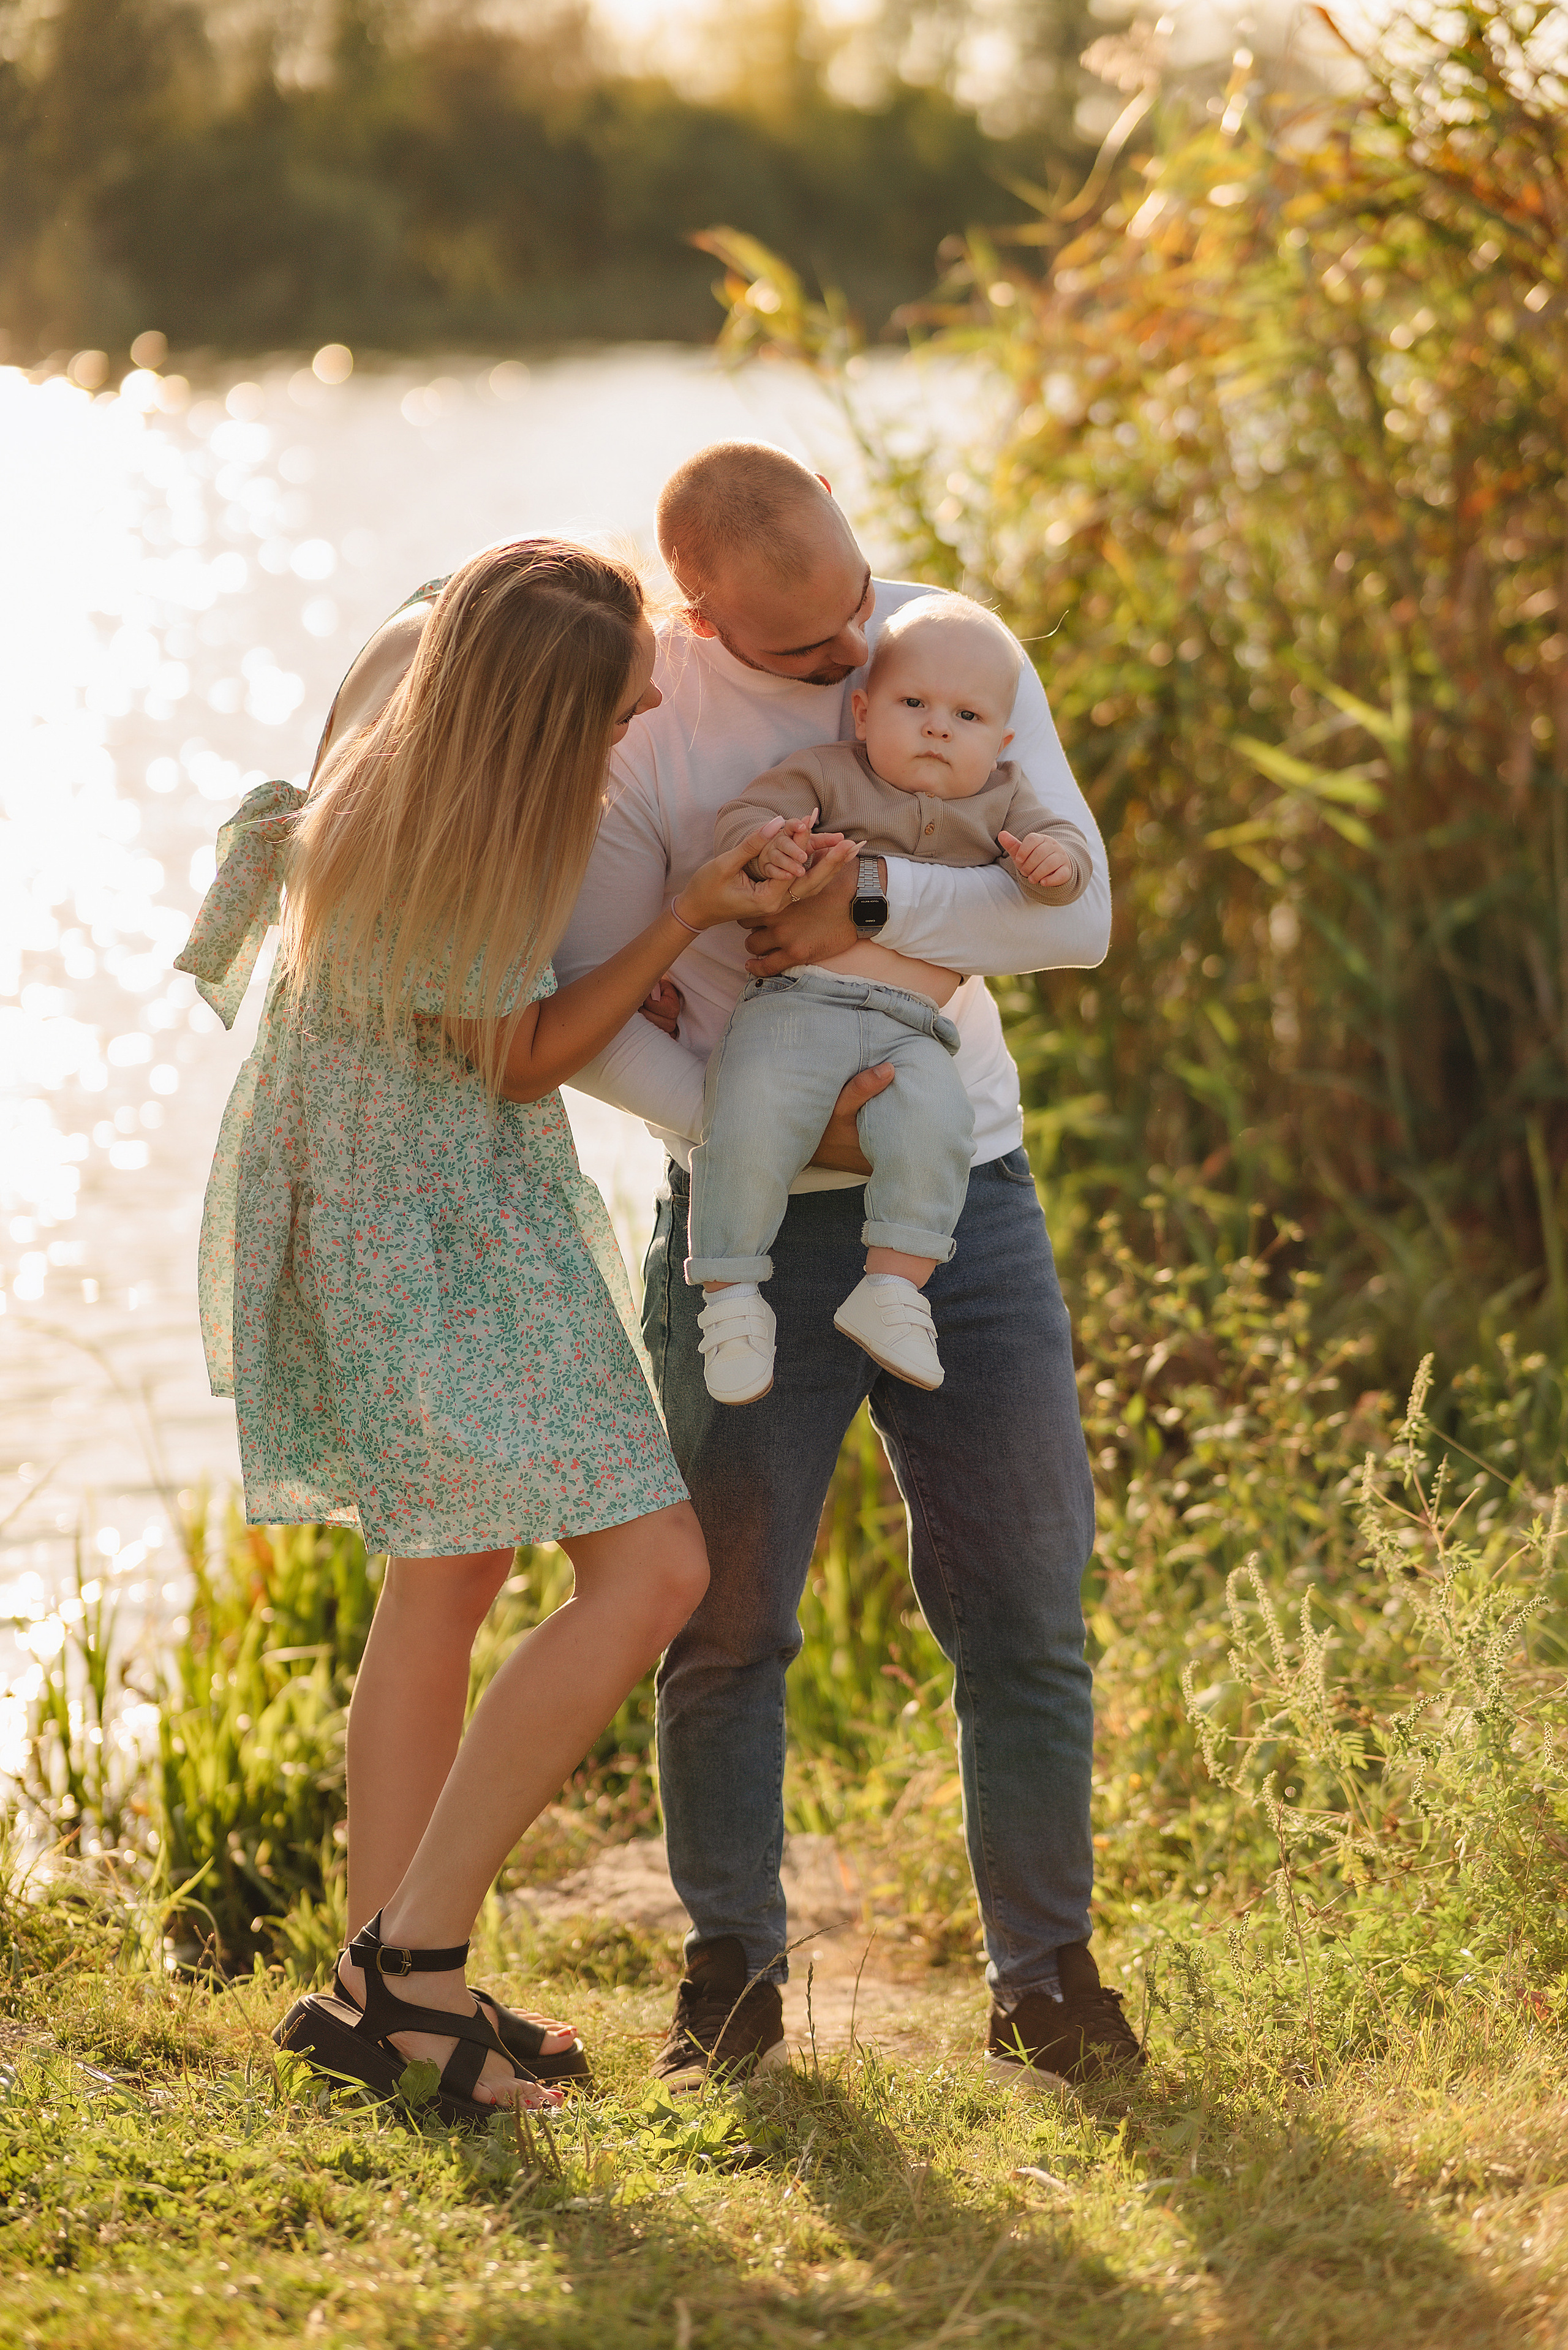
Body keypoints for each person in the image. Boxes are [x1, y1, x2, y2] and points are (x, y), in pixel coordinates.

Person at [328, 443, 1142, 2097]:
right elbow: (605, 1013)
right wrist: (785, 1133)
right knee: (723, 1617)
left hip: (963, 1187)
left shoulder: (944, 638)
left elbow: (1075, 918)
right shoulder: (637, 721)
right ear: (700, 611)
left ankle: (1046, 1974)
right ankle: (731, 1976)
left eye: (861, 610)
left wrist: (870, 896)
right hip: (744, 1219)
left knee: (1024, 1594)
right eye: (810, 648)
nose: (859, 662)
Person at [173, 538, 844, 2121]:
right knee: (658, 1566)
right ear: (530, 721)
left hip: (391, 1175)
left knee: (451, 1568)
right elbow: (523, 1054)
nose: (628, 737)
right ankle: (404, 1968)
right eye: (615, 718)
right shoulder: (438, 832)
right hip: (430, 1210)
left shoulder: (433, 645)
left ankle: (403, 1996)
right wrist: (684, 908)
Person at [688, 592, 1092, 1403]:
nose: (940, 727)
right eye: (915, 705)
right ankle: (730, 1299)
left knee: (938, 1125)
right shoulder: (830, 774)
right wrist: (772, 845)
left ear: (1003, 742)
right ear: (865, 713)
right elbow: (748, 813)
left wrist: (1056, 863)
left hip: (913, 1032)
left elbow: (1077, 873)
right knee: (751, 1115)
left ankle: (893, 1289)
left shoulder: (1004, 802)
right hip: (798, 1007)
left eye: (968, 716)